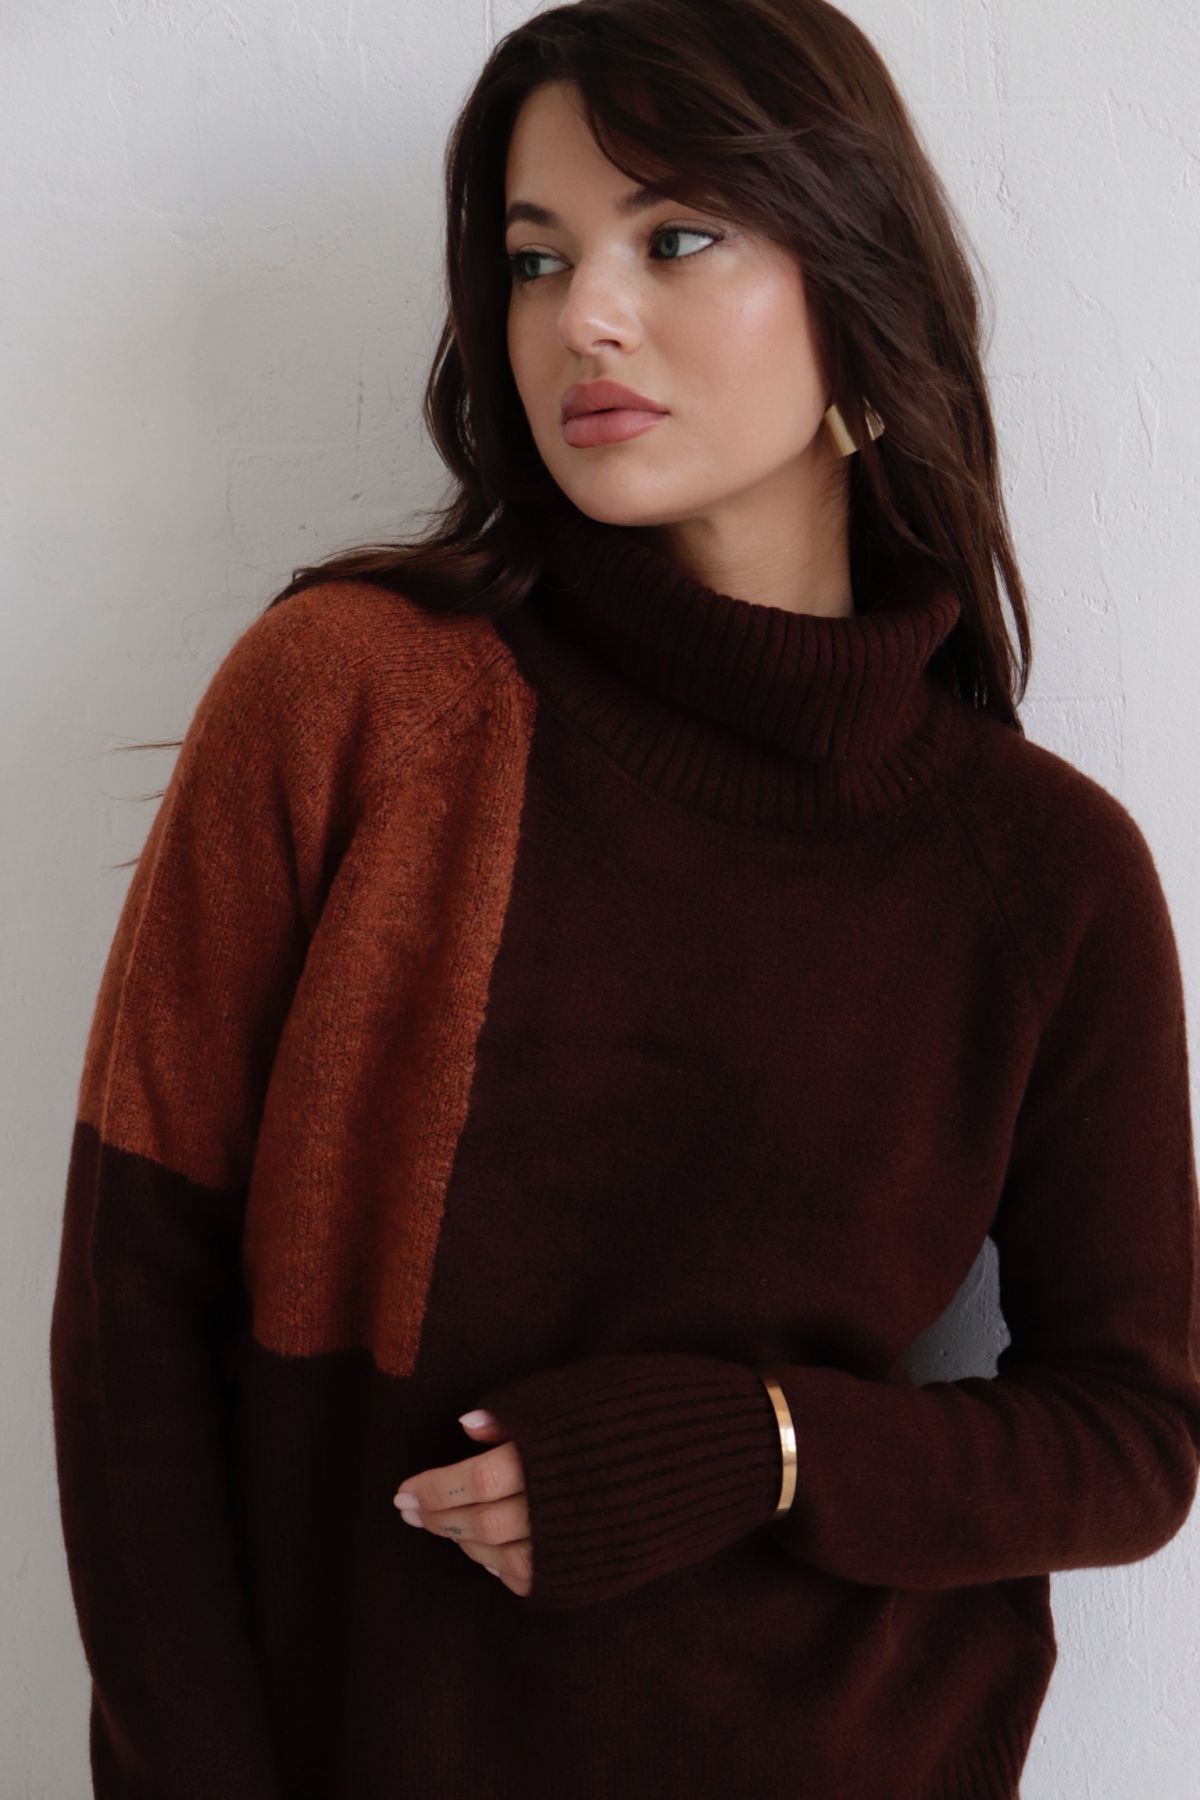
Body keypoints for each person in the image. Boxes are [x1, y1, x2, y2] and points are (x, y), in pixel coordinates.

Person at [49, 1, 1200, 1795]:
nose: (582, 316)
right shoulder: (359, 703)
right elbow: (133, 1327)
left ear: (859, 293)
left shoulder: (1043, 871)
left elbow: (1133, 1443)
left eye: (676, 238)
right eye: (534, 260)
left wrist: (772, 1448)